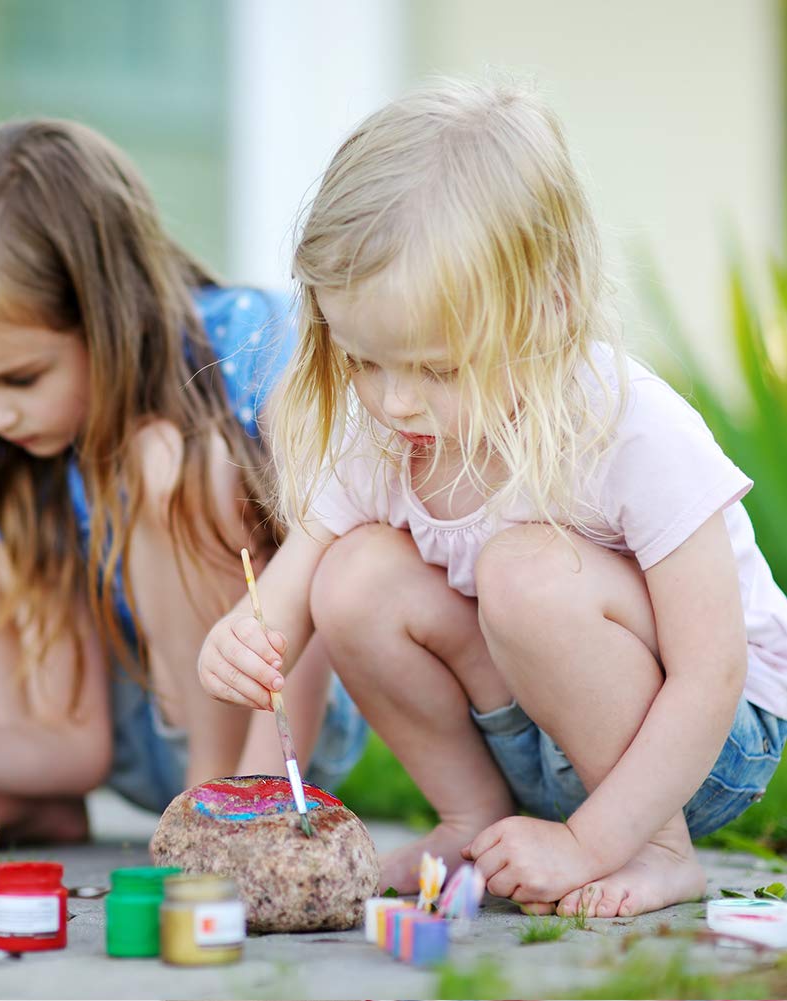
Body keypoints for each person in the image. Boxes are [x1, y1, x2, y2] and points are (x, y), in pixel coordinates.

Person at [198, 80, 787, 918]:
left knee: (526, 570)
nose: (394, 401)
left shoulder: (630, 428)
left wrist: (597, 841)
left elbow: (711, 671)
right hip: (541, 736)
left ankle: (658, 852)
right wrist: (245, 640)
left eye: (438, 368)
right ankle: (473, 817)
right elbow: (285, 603)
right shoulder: (385, 432)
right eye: (363, 360)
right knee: (351, 574)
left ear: (547, 309)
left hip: (700, 746)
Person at [0, 119, 365, 844]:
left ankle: (216, 809)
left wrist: (259, 808)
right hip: (119, 730)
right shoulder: (23, 446)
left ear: (111, 312)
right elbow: (79, 748)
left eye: (19, 377)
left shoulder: (258, 346)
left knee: (159, 460)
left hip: (277, 722)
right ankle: (28, 793)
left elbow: (326, 562)